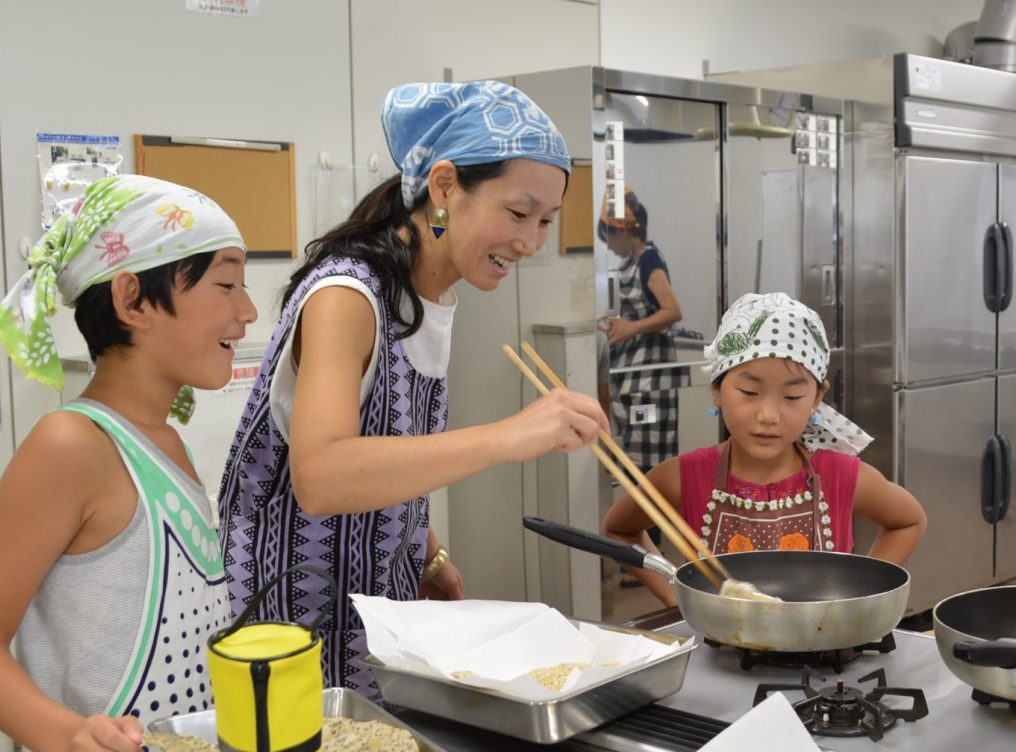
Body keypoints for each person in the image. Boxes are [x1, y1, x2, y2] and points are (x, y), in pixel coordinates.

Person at [219, 81, 609, 699]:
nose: (530, 243)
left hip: (378, 609)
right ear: (446, 186)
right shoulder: (347, 296)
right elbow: (322, 475)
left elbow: (392, 445)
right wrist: (508, 435)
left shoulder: (428, 294)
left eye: (545, 222)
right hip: (296, 625)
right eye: (517, 213)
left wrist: (427, 552)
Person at [0, 174, 257, 752]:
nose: (248, 311)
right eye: (225, 284)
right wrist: (65, 739)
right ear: (133, 299)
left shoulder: (168, 443)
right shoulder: (69, 446)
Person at [602, 292, 927, 608]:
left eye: (792, 397)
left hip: (824, 651)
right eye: (749, 392)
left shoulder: (840, 476)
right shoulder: (683, 476)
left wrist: (859, 597)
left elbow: (909, 521)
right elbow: (619, 529)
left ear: (816, 398)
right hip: (717, 652)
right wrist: (678, 597)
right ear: (716, 388)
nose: (768, 415)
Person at [598, 187, 683, 586]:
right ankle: (643, 552)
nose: (609, 246)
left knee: (650, 471)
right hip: (635, 380)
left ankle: (656, 558)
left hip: (652, 382)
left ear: (625, 231)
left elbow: (672, 310)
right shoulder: (633, 261)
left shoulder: (650, 258)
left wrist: (631, 327)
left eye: (610, 236)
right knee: (635, 468)